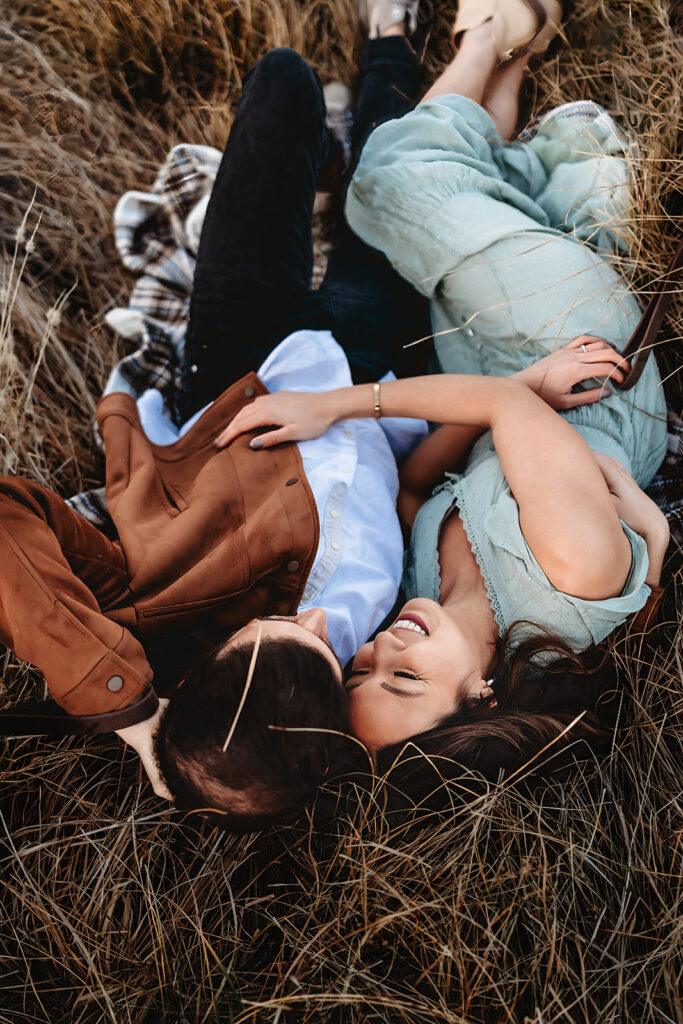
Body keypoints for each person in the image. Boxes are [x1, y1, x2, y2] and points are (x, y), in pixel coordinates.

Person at [0, 8, 439, 829]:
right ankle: (389, 49)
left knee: (283, 82)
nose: (316, 619)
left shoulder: (149, 614)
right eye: (323, 650)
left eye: (275, 629)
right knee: (392, 182)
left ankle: (321, 151)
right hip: (375, 374)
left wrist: (126, 711)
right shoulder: (384, 658)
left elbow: (4, 515)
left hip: (247, 360)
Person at [217, 2, 671, 787]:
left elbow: (416, 482)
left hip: (514, 378)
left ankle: (516, 60)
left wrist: (516, 394)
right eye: (404, 678)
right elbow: (508, 412)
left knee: (445, 217)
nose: (380, 648)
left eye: (359, 673)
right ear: (481, 698)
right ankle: (492, 30)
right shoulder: (571, 580)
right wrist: (336, 406)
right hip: (578, 352)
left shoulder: (422, 592)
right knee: (388, 186)